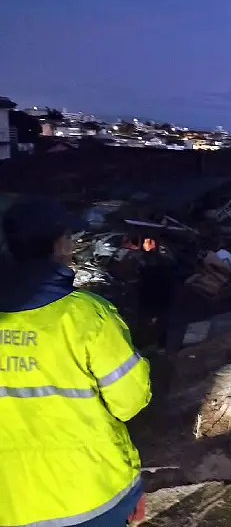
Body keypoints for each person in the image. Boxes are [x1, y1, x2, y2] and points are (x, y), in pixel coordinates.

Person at [0, 196, 152, 527]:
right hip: (92, 497)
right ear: (58, 246)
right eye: (69, 238)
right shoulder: (87, 317)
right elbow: (129, 402)